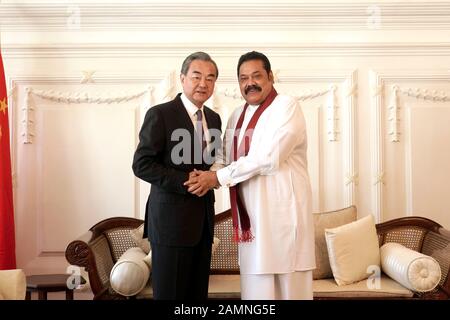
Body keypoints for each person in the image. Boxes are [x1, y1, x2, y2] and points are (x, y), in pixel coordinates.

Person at [184, 51, 316, 300]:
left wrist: (217, 178)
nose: (250, 83)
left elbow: (268, 157)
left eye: (257, 76)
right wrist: (204, 177)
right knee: (256, 296)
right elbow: (223, 156)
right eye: (243, 78)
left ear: (270, 77)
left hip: (284, 220)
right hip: (252, 225)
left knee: (291, 292)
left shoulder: (286, 106)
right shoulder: (236, 115)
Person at [132, 52, 222, 300]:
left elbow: (211, 165)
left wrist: (214, 176)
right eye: (196, 76)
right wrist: (188, 182)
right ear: (182, 78)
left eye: (210, 78)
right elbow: (141, 164)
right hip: (170, 224)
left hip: (203, 223)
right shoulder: (160, 114)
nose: (203, 83)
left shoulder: (214, 119)